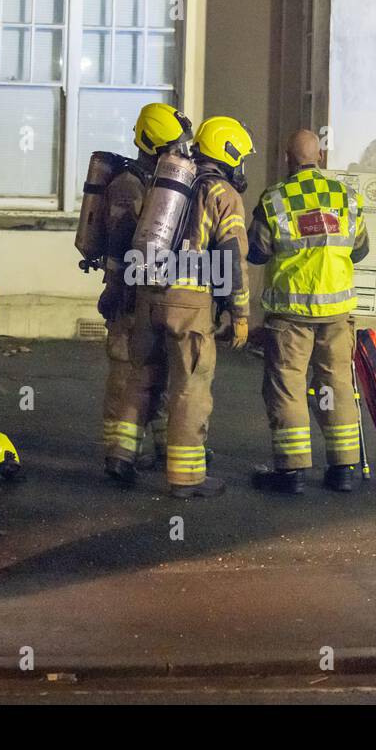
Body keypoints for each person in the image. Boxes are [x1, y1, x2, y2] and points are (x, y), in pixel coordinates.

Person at [113, 116, 254, 499]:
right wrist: (239, 313)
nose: (241, 167)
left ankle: (120, 455)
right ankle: (186, 478)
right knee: (190, 388)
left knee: (143, 377)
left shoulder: (169, 181)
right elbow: (231, 258)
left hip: (147, 297)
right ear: (227, 153)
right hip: (188, 307)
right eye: (240, 158)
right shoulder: (222, 194)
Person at [248, 129, 369, 494]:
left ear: (288, 158)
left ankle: (292, 472)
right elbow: (359, 251)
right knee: (337, 386)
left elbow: (256, 251)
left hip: (291, 315)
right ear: (321, 157)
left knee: (288, 387)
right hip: (336, 315)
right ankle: (345, 469)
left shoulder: (274, 200)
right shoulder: (347, 198)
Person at [98, 103, 191, 486]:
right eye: (173, 146)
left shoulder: (161, 181)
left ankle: (165, 446)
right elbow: (120, 242)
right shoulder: (127, 185)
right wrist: (117, 289)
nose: (180, 153)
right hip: (127, 296)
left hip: (154, 293)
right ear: (153, 144)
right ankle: (117, 453)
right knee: (125, 373)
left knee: (161, 372)